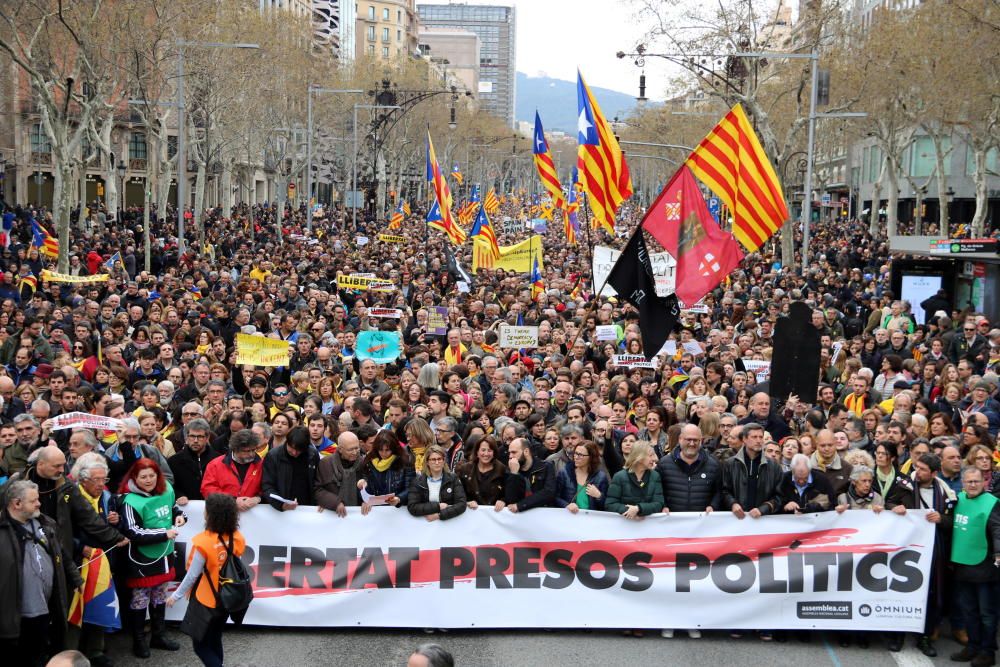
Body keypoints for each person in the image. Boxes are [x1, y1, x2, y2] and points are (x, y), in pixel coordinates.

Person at [0, 480, 83, 667]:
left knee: (40, 653)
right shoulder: (3, 531)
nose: (39, 504)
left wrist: (76, 579)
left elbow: (62, 554)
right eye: (34, 501)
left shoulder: (46, 523)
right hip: (16, 614)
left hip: (46, 607)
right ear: (17, 503)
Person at [885, 453, 956, 656]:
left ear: (934, 473)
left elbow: (953, 522)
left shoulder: (945, 492)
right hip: (905, 548)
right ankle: (897, 635)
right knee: (900, 589)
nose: (918, 472)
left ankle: (923, 637)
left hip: (932, 552)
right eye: (917, 467)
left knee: (929, 593)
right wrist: (894, 507)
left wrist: (941, 518)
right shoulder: (905, 484)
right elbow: (888, 502)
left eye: (923, 469)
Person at [167, 493, 247, 667]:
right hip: (227, 598)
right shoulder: (237, 537)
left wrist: (176, 596)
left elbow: (192, 575)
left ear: (211, 515)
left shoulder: (203, 542)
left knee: (200, 645)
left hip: (206, 600)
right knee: (215, 637)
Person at [117, 459, 185, 658]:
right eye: (143, 477)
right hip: (142, 559)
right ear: (134, 478)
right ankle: (138, 640)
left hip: (165, 554)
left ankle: (159, 635)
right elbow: (133, 532)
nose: (148, 480)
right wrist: (164, 533)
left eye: (152, 476)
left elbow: (173, 509)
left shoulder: (167, 489)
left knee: (160, 594)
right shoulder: (130, 501)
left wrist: (180, 516)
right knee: (140, 598)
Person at [948, 466, 1000, 667]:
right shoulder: (957, 500)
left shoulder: (992, 503)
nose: (972, 485)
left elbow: (997, 529)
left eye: (976, 481)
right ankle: (972, 647)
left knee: (987, 613)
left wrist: (998, 552)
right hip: (962, 565)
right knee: (968, 611)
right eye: (968, 481)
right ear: (963, 483)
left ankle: (988, 652)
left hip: (985, 567)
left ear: (984, 482)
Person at [200, 429, 264, 510]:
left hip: (253, 514)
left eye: (253, 450)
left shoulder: (261, 464)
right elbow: (207, 489)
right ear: (235, 449)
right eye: (246, 451)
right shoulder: (215, 465)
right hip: (225, 513)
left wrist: (258, 498)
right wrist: (233, 500)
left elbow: (268, 487)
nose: (251, 454)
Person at [261, 426, 319, 511]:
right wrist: (280, 505)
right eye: (291, 448)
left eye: (299, 450)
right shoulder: (273, 456)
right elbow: (267, 485)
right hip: (281, 509)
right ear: (287, 441)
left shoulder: (312, 455)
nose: (294, 453)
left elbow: (317, 481)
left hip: (307, 508)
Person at [407, 444, 466, 521]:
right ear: (427, 462)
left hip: (449, 523)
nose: (437, 462)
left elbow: (461, 504)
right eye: (433, 459)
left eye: (439, 459)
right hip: (425, 525)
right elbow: (413, 507)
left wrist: (439, 515)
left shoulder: (453, 478)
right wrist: (438, 506)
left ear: (444, 461)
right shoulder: (418, 481)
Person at [606, 441, 664, 519]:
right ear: (639, 457)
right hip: (624, 526)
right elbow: (610, 504)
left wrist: (638, 509)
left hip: (648, 526)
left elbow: (659, 503)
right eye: (650, 455)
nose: (654, 459)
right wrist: (630, 511)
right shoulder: (619, 477)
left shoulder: (655, 476)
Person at [167, 417, 220, 504]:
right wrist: (178, 495)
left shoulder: (219, 460)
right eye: (192, 436)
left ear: (207, 438)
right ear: (186, 437)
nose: (195, 440)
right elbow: (169, 486)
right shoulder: (174, 461)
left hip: (214, 507)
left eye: (200, 437)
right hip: (186, 509)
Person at [314, 431, 365, 516]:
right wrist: (335, 503)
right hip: (333, 514)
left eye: (357, 448)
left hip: (358, 516)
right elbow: (318, 490)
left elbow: (371, 488)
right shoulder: (325, 463)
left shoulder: (364, 463)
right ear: (340, 449)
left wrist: (366, 501)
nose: (355, 452)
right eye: (350, 449)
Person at [554, 440, 608, 512]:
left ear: (591, 457)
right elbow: (555, 497)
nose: (576, 457)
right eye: (575, 453)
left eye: (580, 455)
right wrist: (566, 505)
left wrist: (599, 496)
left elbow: (608, 505)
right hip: (570, 517)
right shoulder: (564, 473)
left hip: (591, 520)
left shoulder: (601, 477)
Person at [456, 436, 508, 511]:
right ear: (477, 452)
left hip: (495, 516)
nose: (486, 454)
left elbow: (508, 493)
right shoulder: (465, 469)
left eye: (489, 450)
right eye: (483, 450)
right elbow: (459, 493)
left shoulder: (502, 470)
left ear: (494, 453)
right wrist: (467, 502)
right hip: (471, 514)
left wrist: (503, 501)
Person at [504, 437, 556, 512]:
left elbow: (548, 493)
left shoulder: (546, 467)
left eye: (514, 452)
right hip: (519, 518)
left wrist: (521, 505)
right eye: (509, 453)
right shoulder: (510, 469)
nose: (510, 456)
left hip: (542, 515)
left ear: (526, 451)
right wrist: (514, 474)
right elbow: (510, 500)